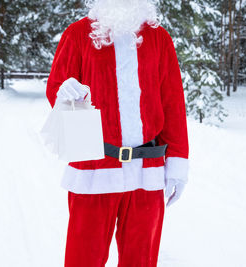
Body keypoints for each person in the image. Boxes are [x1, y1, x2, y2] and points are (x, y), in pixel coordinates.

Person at [46, 0, 189, 266]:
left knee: (141, 260)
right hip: (93, 165)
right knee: (83, 259)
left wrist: (178, 160)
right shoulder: (78, 34)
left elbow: (172, 101)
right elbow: (57, 85)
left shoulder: (158, 37)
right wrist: (63, 91)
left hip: (147, 170)